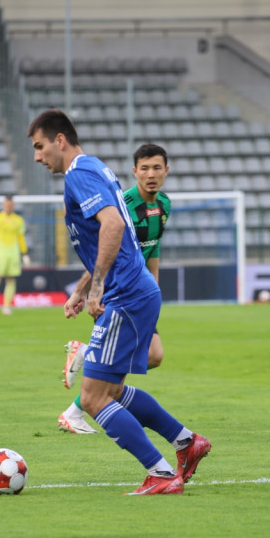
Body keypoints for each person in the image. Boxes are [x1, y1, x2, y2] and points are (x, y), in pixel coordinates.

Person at [27, 109, 211, 495]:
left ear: (60, 140)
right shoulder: (92, 170)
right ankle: (185, 442)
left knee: (93, 399)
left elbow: (112, 227)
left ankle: (161, 474)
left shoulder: (80, 173)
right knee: (109, 392)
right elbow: (114, 238)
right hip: (133, 290)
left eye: (40, 146)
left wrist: (96, 290)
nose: (37, 156)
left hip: (125, 294)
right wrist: (82, 289)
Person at [58, 142, 172, 435]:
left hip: (140, 291)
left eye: (157, 168)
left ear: (166, 171)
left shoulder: (164, 205)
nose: (151, 174)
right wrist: (83, 291)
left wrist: (153, 292)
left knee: (153, 356)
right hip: (116, 291)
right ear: (134, 172)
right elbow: (105, 252)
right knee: (112, 373)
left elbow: (153, 248)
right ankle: (74, 410)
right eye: (144, 168)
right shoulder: (126, 206)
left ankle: (80, 375)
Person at [0, 195, 30, 316]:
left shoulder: (18, 220)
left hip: (13, 254)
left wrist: (24, 253)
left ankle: (6, 307)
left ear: (13, 206)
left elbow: (21, 238)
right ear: (3, 205)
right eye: (6, 205)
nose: (8, 207)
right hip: (0, 253)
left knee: (11, 280)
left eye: (10, 205)